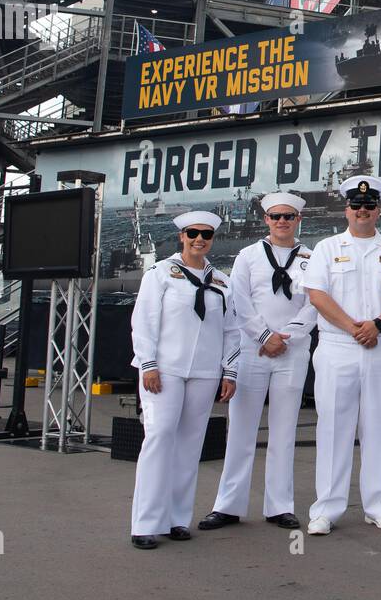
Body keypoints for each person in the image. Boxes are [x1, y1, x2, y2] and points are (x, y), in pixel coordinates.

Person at [200, 192, 317, 533]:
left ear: (298, 220)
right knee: (241, 429)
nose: (282, 221)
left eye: (289, 216)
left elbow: (315, 302)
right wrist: (265, 336)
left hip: (292, 351)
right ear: (266, 219)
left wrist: (286, 337)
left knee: (284, 429)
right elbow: (239, 300)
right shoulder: (248, 256)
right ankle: (228, 505)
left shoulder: (311, 257)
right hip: (254, 349)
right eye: (276, 215)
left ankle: (280, 506)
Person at [301, 176, 381, 534]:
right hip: (337, 347)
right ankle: (326, 509)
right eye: (355, 206)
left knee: (378, 426)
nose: (362, 211)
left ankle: (378, 505)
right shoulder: (327, 248)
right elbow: (317, 295)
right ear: (346, 210)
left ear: (378, 210)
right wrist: (354, 327)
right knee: (333, 428)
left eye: (369, 206)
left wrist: (377, 325)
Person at [129, 211, 240, 550]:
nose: (199, 240)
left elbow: (232, 330)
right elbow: (144, 321)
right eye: (193, 233)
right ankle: (145, 523)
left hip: (205, 373)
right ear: (181, 236)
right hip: (165, 371)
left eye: (206, 235)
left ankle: (177, 518)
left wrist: (230, 371)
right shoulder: (160, 273)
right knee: (159, 438)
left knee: (190, 446)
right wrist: (148, 364)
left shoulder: (221, 280)